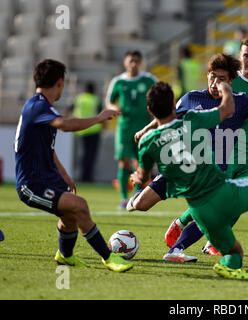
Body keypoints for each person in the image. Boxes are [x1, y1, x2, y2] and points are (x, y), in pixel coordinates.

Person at [130, 53, 248, 262]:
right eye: (212, 76)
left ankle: (178, 247)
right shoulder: (191, 98)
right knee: (140, 205)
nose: (215, 82)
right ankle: (164, 215)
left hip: (215, 171)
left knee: (212, 210)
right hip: (182, 168)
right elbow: (166, 118)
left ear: (231, 81)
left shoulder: (239, 102)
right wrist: (145, 129)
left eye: (221, 78)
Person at [14, 59, 132, 272]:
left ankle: (65, 256)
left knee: (69, 216)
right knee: (80, 206)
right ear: (60, 83)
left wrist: (64, 174)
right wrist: (99, 118)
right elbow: (66, 125)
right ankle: (109, 257)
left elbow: (47, 148)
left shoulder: (40, 106)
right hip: (30, 185)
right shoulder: (38, 105)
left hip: (46, 178)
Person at [106, 50, 158, 209]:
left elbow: (161, 96)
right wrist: (114, 108)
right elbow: (108, 102)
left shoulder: (149, 80)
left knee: (141, 163)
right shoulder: (118, 81)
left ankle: (136, 195)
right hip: (124, 128)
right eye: (131, 61)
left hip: (144, 128)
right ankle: (123, 198)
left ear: (141, 62)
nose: (134, 64)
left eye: (137, 60)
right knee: (123, 162)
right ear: (125, 62)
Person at [71, 82, 102, 182]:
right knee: (91, 155)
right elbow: (101, 114)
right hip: (94, 130)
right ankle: (88, 177)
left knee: (83, 155)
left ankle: (82, 176)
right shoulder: (96, 99)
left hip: (81, 130)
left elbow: (70, 108)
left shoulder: (79, 98)